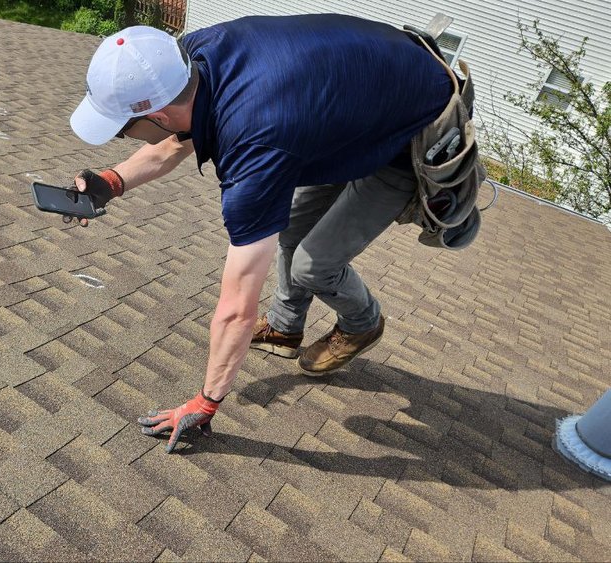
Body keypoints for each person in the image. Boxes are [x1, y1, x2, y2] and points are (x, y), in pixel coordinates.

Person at [66, 15, 455, 453]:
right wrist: (111, 182)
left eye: (122, 128)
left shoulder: (255, 145)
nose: (123, 136)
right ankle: (287, 329)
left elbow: (236, 308)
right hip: (350, 101)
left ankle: (363, 324)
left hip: (414, 125)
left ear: (156, 114)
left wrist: (207, 401)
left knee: (313, 265)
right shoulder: (188, 57)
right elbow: (176, 137)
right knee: (289, 227)